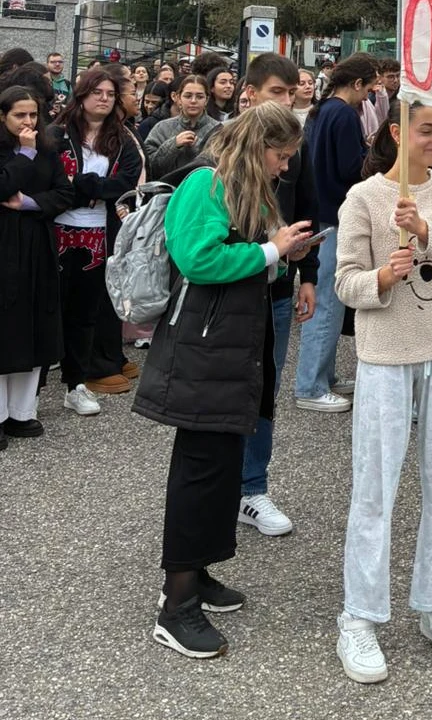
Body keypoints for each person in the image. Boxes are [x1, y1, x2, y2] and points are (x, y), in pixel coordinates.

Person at [132, 102, 312, 659]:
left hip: (230, 346)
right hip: (204, 347)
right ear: (259, 147)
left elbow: (247, 259)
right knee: (201, 470)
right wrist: (271, 250)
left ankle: (197, 575)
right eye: (281, 156)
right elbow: (197, 258)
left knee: (220, 466)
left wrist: (285, 255)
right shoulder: (205, 183)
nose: (284, 168)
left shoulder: (245, 188)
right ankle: (176, 603)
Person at [333, 101, 432, 683]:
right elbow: (345, 278)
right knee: (375, 482)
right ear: (397, 132)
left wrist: (426, 230)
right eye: (427, 130)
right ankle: (360, 615)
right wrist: (382, 278)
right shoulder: (364, 198)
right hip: (386, 352)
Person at [236, 55, 319, 536]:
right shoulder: (221, 147)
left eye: (291, 93)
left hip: (280, 287)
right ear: (249, 92)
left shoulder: (295, 147)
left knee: (265, 385)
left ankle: (252, 488)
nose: (286, 101)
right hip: (229, 288)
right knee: (223, 387)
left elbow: (306, 208)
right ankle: (221, 485)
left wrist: (307, 272)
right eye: (276, 92)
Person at [52, 69, 143, 413]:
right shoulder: (58, 133)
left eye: (109, 93)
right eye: (97, 92)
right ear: (82, 94)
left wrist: (87, 186)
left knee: (85, 312)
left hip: (99, 234)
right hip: (58, 230)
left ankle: (76, 383)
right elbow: (54, 179)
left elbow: (125, 183)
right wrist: (86, 189)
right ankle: (31, 388)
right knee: (52, 307)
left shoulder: (121, 139)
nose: (104, 98)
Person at [292, 53, 377, 412]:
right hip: (334, 216)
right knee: (326, 303)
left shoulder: (324, 109)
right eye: (370, 87)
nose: (371, 95)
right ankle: (310, 384)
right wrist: (370, 156)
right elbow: (350, 168)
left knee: (328, 299)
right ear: (356, 84)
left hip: (323, 213)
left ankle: (323, 376)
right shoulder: (344, 113)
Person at [0, 86, 73, 448]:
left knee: (33, 324)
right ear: (3, 117)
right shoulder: (16, 151)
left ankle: (21, 412)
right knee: (4, 329)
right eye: (19, 115)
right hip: (3, 248)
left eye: (33, 115)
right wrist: (24, 155)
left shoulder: (47, 150)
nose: (28, 122)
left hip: (37, 246)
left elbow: (63, 193)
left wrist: (30, 202)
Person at [144, 76, 219, 180]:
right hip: (168, 192)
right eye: (188, 96)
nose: (193, 101)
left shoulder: (219, 130)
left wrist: (200, 147)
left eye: (199, 97)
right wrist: (173, 145)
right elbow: (149, 166)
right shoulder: (162, 128)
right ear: (178, 99)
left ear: (206, 100)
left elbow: (226, 166)